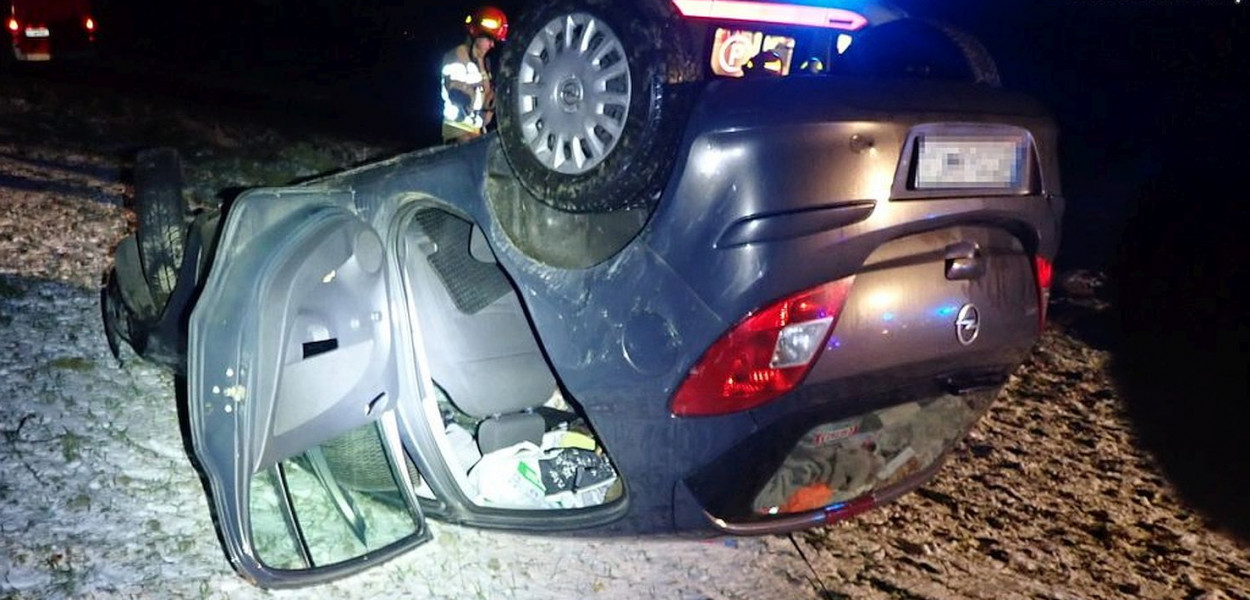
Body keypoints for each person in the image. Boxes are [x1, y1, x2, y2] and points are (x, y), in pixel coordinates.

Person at [441, 6, 508, 143]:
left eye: (494, 41)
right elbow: (458, 96)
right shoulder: (456, 57)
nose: (492, 45)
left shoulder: (484, 63)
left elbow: (487, 100)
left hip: (477, 132)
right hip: (458, 133)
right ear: (476, 35)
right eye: (489, 39)